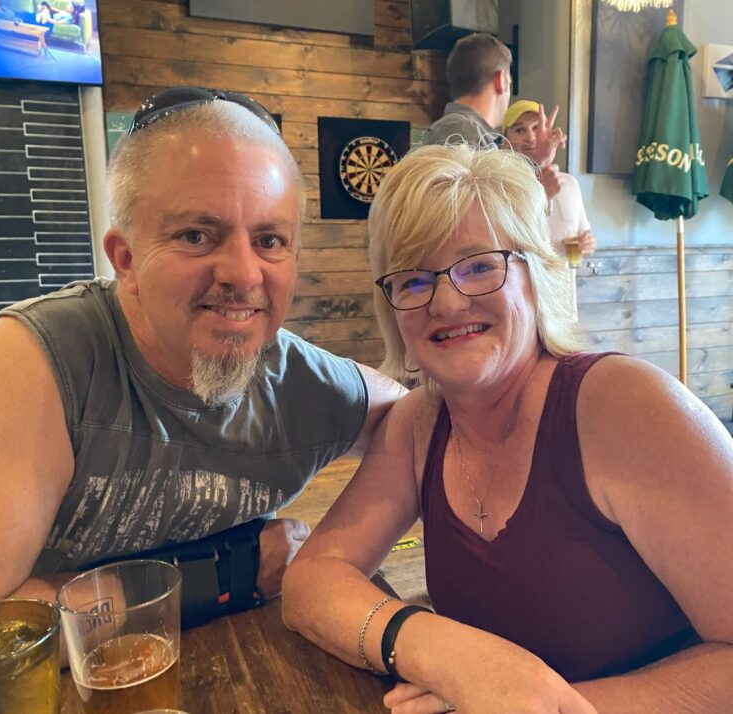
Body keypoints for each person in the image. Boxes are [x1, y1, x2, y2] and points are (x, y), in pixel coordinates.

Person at [282, 144, 733, 713]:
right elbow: (310, 581)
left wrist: (534, 701)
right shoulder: (420, 424)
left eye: (479, 265)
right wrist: (439, 650)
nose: (446, 300)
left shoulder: (623, 404)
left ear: (536, 274)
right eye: (414, 280)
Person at [0, 87, 405, 623]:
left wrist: (331, 555)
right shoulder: (38, 359)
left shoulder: (303, 383)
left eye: (269, 240)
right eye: (197, 235)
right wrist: (229, 575)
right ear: (125, 260)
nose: (244, 275)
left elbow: (415, 424)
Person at [423, 32, 565, 202]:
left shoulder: (467, 132)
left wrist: (538, 162)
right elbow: (480, 221)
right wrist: (540, 183)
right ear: (502, 81)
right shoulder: (460, 131)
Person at [503, 99, 596, 318]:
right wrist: (541, 194)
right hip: (520, 308)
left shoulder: (570, 184)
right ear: (505, 141)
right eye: (519, 129)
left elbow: (577, 243)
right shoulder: (501, 185)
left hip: (563, 303)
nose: (531, 137)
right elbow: (506, 245)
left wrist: (584, 245)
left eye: (537, 128)